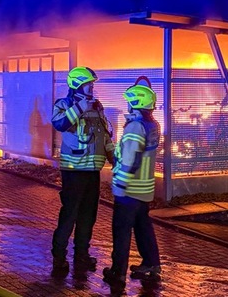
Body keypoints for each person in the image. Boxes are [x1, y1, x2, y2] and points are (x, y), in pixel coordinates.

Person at [50, 66, 115, 274]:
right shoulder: (64, 104)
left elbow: (105, 136)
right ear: (77, 84)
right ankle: (59, 257)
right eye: (89, 83)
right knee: (69, 215)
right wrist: (79, 108)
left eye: (93, 84)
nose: (92, 87)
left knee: (88, 216)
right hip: (74, 171)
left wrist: (115, 160)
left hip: (92, 172)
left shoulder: (97, 106)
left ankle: (82, 256)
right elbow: (58, 123)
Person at [102, 79, 162, 291]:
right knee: (143, 227)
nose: (127, 105)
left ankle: (117, 273)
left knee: (122, 231)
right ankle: (152, 264)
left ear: (136, 103)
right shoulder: (153, 124)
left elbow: (130, 158)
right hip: (145, 189)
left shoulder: (136, 126)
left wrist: (120, 182)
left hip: (130, 189)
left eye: (129, 102)